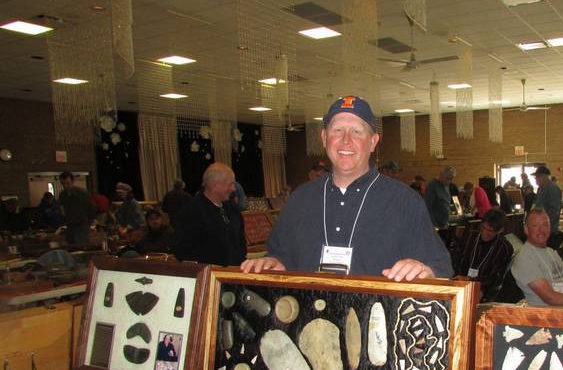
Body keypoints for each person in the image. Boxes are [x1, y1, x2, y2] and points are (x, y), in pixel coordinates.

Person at [241, 95, 452, 280]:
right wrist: (274, 263)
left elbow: (441, 268)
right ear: (324, 138)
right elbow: (280, 255)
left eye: (357, 132)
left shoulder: (406, 202)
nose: (346, 141)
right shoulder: (300, 199)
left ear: (373, 141)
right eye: (338, 130)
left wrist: (426, 270)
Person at [174, 162, 246, 265]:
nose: (234, 188)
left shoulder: (232, 209)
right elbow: (183, 251)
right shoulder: (192, 211)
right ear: (216, 186)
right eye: (230, 184)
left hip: (234, 274)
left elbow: (241, 242)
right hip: (209, 275)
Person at [456, 209, 515, 303]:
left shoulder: (504, 248)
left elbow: (493, 277)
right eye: (483, 227)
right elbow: (460, 259)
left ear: (500, 230)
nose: (485, 233)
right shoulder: (471, 236)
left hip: (483, 288)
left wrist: (470, 280)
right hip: (461, 281)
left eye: (490, 231)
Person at [58, 171, 94, 245]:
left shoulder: (82, 193)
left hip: (81, 225)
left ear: (73, 181)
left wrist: (88, 223)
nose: (65, 186)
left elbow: (91, 208)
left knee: (81, 246)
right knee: (71, 247)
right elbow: (62, 210)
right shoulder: (62, 195)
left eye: (68, 183)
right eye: (63, 184)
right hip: (70, 226)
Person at [532, 165, 563, 249]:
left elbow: (554, 211)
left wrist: (544, 226)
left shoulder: (553, 188)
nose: (536, 179)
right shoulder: (542, 188)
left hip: (548, 231)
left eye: (537, 177)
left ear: (544, 176)